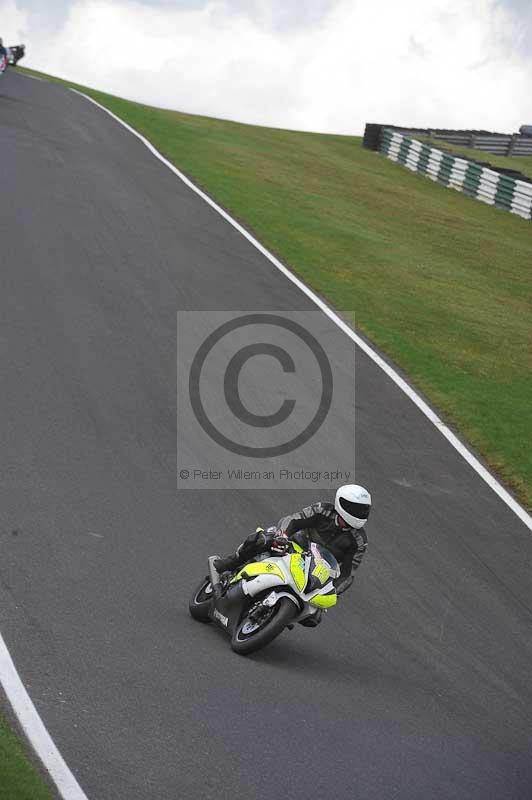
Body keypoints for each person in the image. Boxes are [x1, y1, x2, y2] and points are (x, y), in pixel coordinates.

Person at [214, 485, 371, 614]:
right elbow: (294, 520)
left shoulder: (359, 540)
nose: (359, 514)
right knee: (263, 539)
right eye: (355, 508)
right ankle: (232, 562)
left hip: (318, 570)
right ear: (342, 503)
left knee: (314, 617)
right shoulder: (323, 510)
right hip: (294, 546)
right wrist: (282, 535)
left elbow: (348, 573)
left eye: (363, 510)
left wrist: (333, 591)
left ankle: (277, 614)